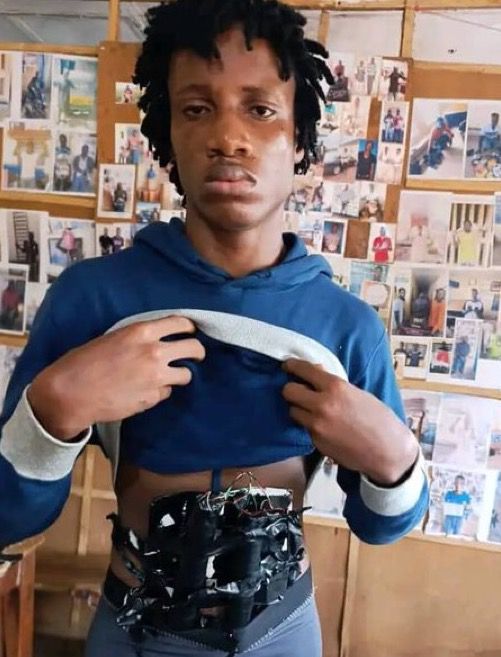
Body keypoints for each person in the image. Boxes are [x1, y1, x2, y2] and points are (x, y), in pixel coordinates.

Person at [0, 4, 427, 656]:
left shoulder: (347, 327)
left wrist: (395, 461)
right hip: (134, 633)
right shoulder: (94, 299)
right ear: (168, 135)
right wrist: (53, 411)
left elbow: (381, 526)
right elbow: (7, 516)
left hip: (283, 634)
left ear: (300, 139)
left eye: (260, 109)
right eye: (197, 109)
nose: (229, 137)